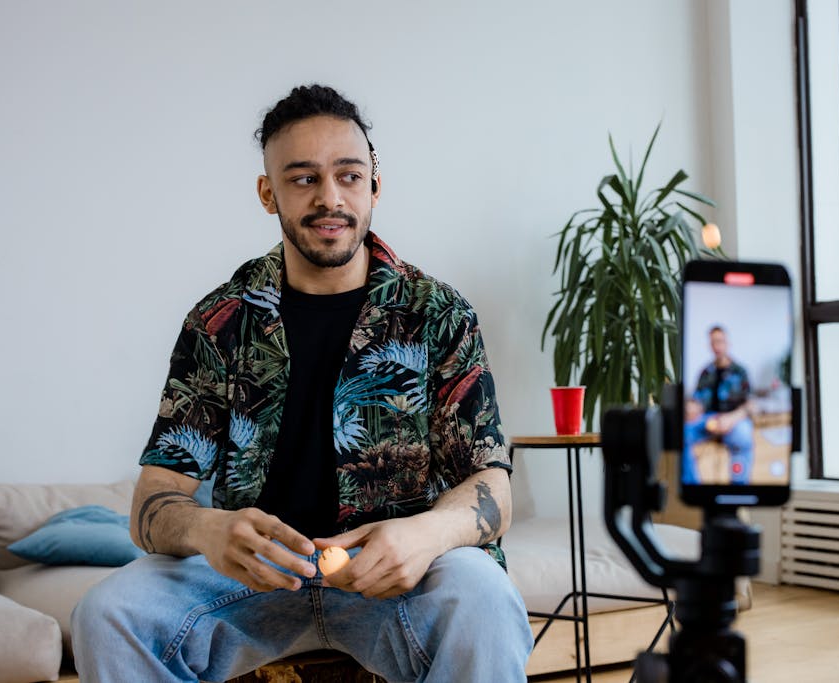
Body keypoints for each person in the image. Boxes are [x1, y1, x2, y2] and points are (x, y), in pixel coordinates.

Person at [71, 84, 533, 683]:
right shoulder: (220, 322)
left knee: (484, 597)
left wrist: (426, 534)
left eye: (347, 175)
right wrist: (209, 529)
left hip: (398, 578)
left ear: (375, 185)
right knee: (106, 613)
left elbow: (492, 487)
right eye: (303, 179)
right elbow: (152, 504)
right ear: (268, 193)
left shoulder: (439, 313)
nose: (330, 198)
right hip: (249, 583)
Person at [683, 325, 755, 485]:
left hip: (734, 420)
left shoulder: (740, 371)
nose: (717, 346)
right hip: (708, 420)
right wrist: (693, 409)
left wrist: (731, 419)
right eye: (713, 342)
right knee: (682, 434)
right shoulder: (705, 372)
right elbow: (697, 401)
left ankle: (738, 490)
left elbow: (750, 405)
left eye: (720, 341)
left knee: (743, 436)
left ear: (727, 343)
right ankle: (693, 488)